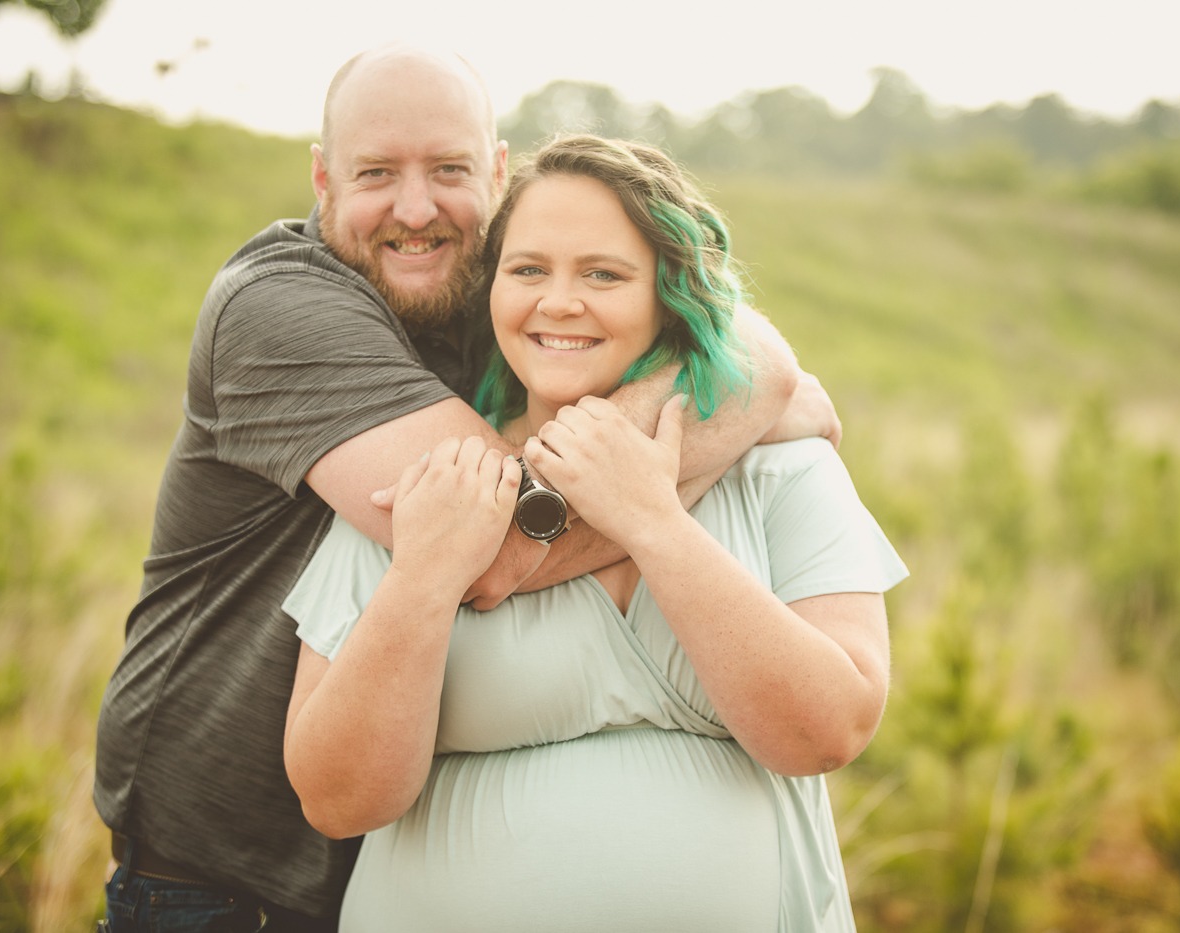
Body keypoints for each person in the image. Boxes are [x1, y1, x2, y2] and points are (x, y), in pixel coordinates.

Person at [93, 44, 834, 932]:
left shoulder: (503, 302)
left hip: (369, 872)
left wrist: (739, 385)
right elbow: (498, 543)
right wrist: (683, 452)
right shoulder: (277, 306)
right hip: (220, 877)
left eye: (448, 170)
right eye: (377, 173)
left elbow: (763, 363)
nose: (416, 208)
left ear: (495, 171)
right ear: (324, 180)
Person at [282, 135, 908, 931]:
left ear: (668, 295)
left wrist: (651, 520)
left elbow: (830, 728)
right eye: (528, 269)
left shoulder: (780, 468)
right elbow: (336, 799)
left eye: (603, 274)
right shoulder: (428, 486)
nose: (559, 301)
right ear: (492, 288)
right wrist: (422, 579)